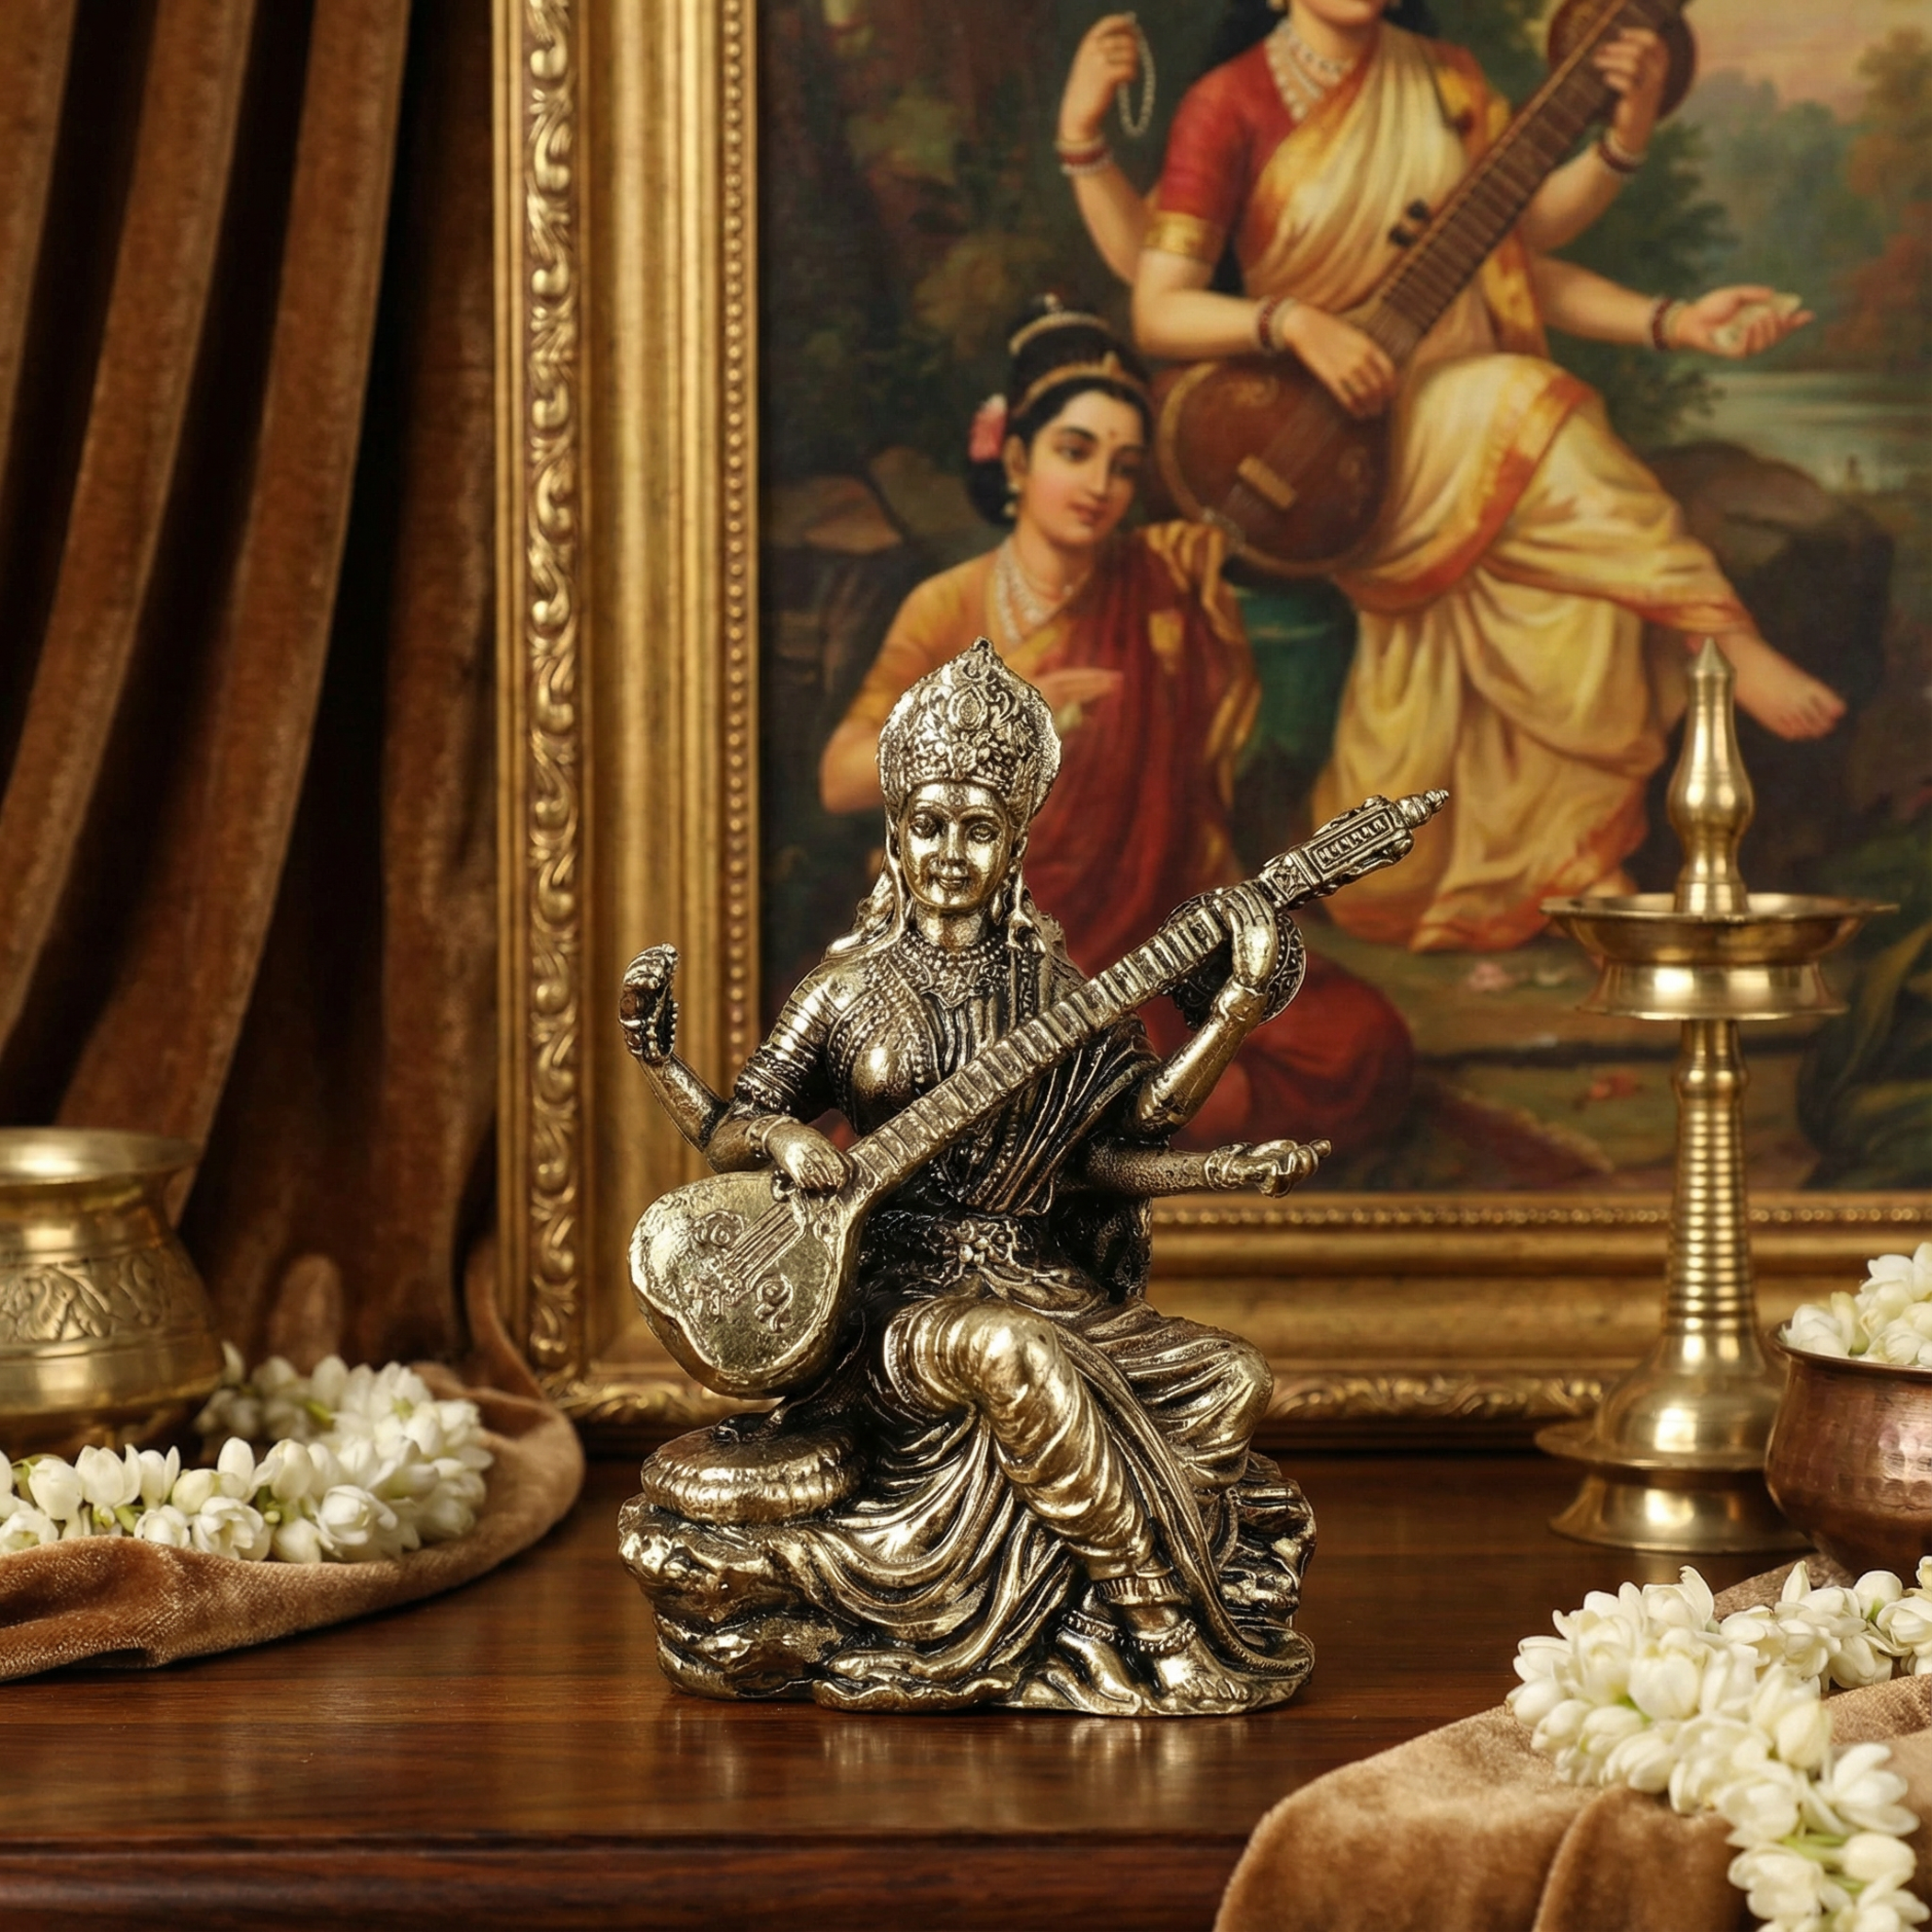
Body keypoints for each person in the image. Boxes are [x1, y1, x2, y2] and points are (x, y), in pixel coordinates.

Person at [1054, 0, 1847, 951]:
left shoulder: (1447, 80)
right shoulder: (1228, 102)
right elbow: (1162, 313)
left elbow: (1514, 254)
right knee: (1528, 404)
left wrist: (1673, 307)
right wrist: (1293, 323)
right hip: (1330, 452)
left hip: (1459, 417)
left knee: (1555, 534)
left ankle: (1564, 860)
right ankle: (1716, 631)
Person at [624, 640, 1322, 1714]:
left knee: (1231, 1376)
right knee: (1011, 1352)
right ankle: (1156, 1623)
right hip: (895, 1307)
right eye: (930, 824)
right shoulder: (846, 989)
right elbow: (732, 1132)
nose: (952, 851)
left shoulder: (1055, 986)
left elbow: (1121, 1141)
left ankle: (1077, 1602)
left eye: (981, 829)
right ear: (897, 834)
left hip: (1041, 1280)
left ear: (1015, 846)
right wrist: (776, 1138)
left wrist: (1229, 1022)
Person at [819, 302, 1413, 1155]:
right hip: (996, 951)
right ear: (1017, 459)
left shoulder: (1164, 579)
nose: (1100, 485)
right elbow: (839, 776)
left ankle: (1093, 1117)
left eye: (1124, 466)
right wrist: (1012, 722)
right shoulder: (949, 605)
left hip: (1148, 935)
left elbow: (1267, 522)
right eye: (1075, 452)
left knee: (1362, 1049)